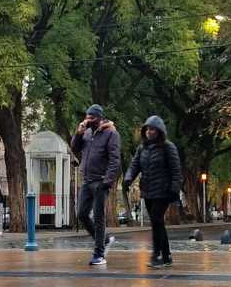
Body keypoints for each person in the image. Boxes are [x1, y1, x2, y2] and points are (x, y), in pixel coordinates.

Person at [123, 115, 182, 269]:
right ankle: (167, 255)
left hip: (163, 191)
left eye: (153, 129)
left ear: (160, 131)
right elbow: (134, 165)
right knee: (158, 222)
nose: (150, 132)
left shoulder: (168, 147)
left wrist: (174, 189)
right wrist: (128, 178)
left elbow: (176, 170)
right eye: (148, 129)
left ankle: (157, 255)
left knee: (156, 220)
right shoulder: (142, 148)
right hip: (148, 190)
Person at [71, 104, 121, 266]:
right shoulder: (86, 133)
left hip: (100, 181)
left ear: (99, 118)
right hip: (87, 180)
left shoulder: (111, 133)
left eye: (91, 117)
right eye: (87, 117)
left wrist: (107, 181)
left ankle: (99, 254)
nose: (88, 120)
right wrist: (78, 133)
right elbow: (74, 148)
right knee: (82, 214)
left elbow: (115, 160)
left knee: (99, 218)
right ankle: (105, 240)